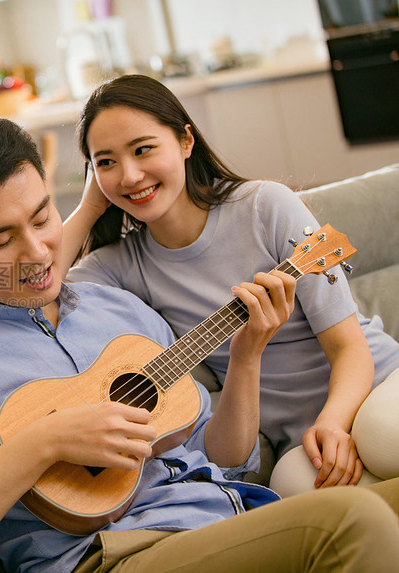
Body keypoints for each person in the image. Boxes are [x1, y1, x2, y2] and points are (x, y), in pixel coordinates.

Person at [0, 113, 399, 573]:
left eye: (43, 217)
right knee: (358, 518)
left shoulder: (116, 308)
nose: (38, 252)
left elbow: (227, 459)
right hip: (115, 554)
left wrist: (247, 354)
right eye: (0, 239)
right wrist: (40, 444)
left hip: (230, 513)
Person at [62, 74, 399, 495]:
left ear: (186, 142)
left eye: (143, 149)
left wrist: (335, 423)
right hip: (302, 440)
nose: (130, 175)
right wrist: (90, 205)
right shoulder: (122, 266)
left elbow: (350, 346)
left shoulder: (264, 206)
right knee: (291, 488)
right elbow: (31, 292)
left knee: (384, 438)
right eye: (107, 162)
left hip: (373, 387)